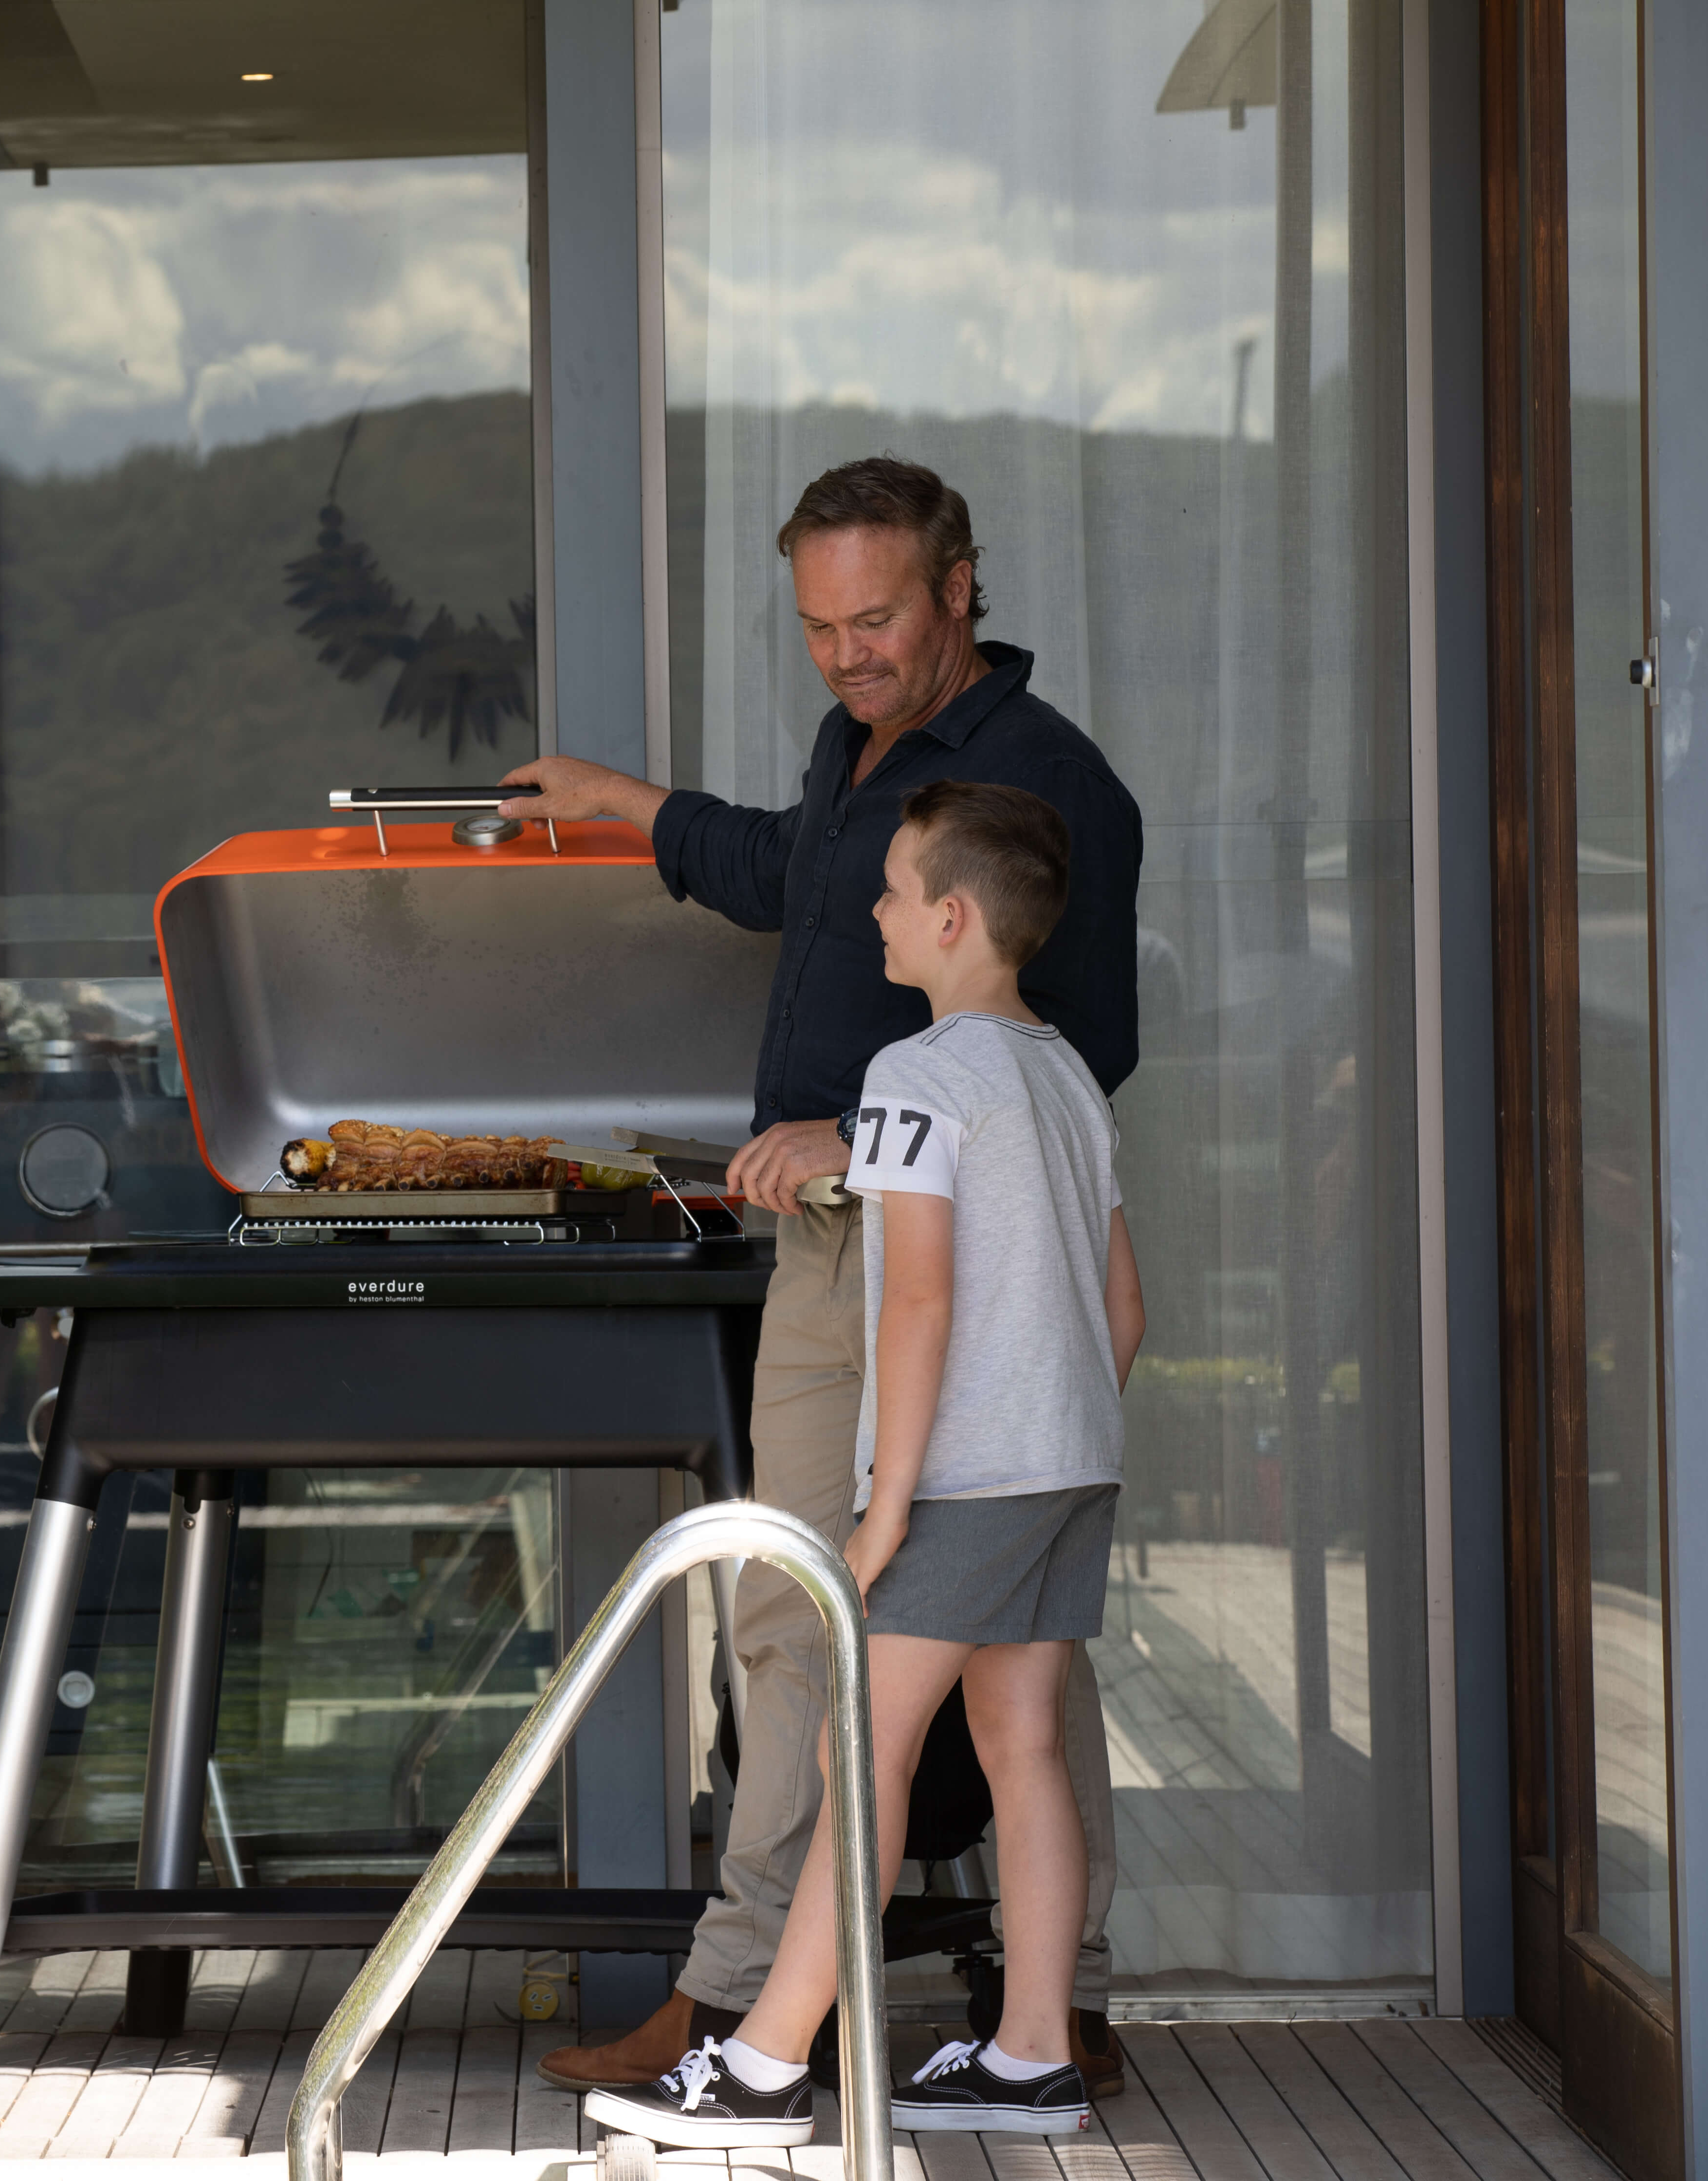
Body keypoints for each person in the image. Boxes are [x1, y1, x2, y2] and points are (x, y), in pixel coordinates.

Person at [496, 457, 1141, 2098]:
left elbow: (1070, 1055)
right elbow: (791, 867)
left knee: (840, 1649)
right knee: (861, 1659)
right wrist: (627, 808)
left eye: (874, 620)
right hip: (888, 1295)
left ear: (959, 590)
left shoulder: (1047, 786)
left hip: (932, 1280)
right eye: (817, 628)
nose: (846, 653)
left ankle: (767, 2037)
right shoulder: (866, 755)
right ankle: (990, 2028)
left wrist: (857, 1143)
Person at [584, 781, 1141, 2146]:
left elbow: (917, 1302)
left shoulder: (912, 1078)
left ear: (949, 920)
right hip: (1071, 1470)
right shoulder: (1066, 1074)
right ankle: (1030, 2058)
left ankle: (764, 2070)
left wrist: (886, 1504)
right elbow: (1127, 1308)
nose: (875, 912)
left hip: (963, 1483)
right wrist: (1054, 1427)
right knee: (1022, 1755)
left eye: (891, 891)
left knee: (862, 1751)